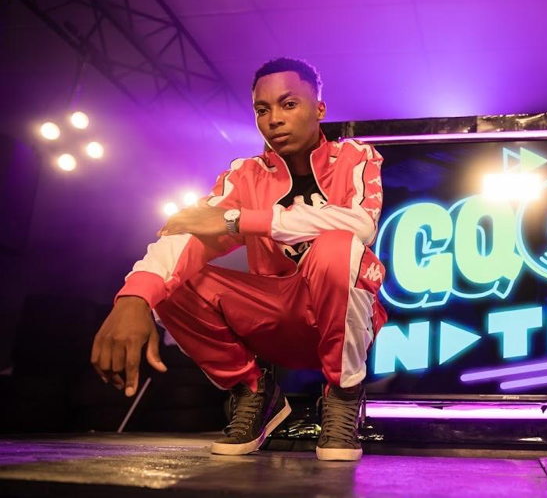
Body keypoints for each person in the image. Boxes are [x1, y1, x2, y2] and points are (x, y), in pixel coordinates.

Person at [90, 57, 387, 461]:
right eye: (262, 110)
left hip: (342, 317)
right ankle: (254, 391)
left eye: (289, 104)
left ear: (319, 109)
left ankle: (343, 394)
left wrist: (241, 220)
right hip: (274, 318)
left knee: (338, 247)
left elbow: (360, 223)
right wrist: (134, 297)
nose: (274, 119)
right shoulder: (244, 175)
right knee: (172, 281)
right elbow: (190, 231)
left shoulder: (355, 156)